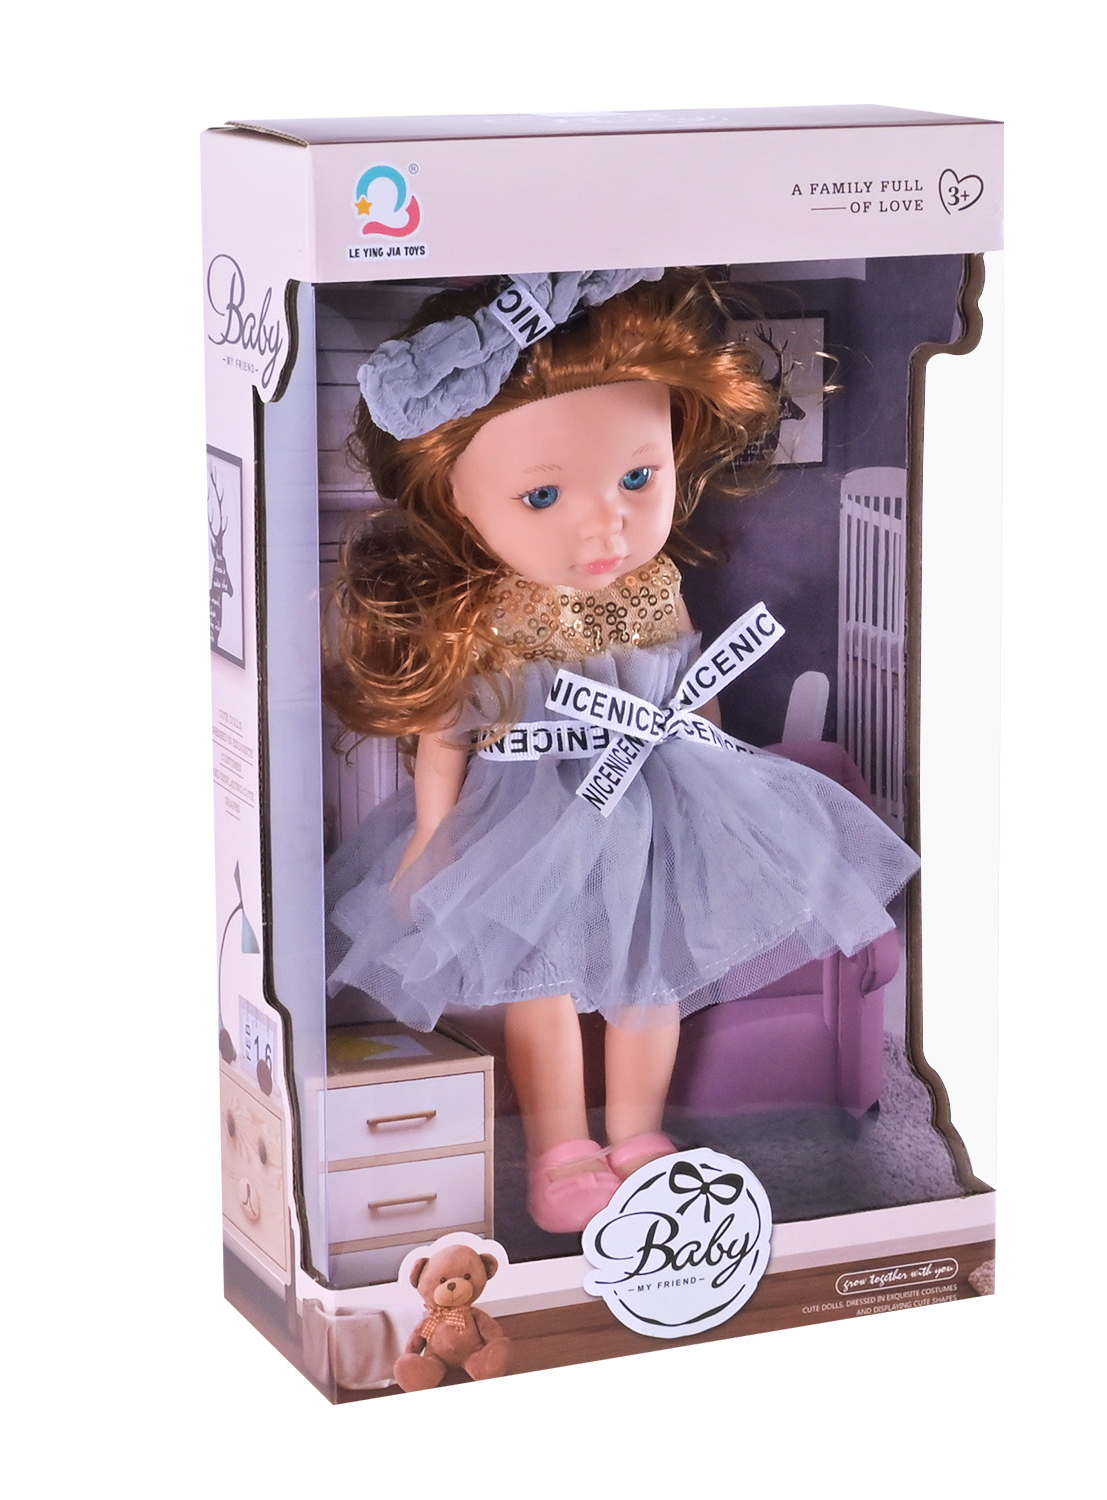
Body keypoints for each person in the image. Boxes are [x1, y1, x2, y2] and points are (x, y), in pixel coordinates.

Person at [324, 268, 918, 1233]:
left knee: (655, 975)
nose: (604, 523)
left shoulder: (655, 584)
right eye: (542, 494)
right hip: (529, 810)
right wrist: (431, 838)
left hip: (660, 793)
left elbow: (692, 677)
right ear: (457, 498)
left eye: (638, 479)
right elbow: (448, 733)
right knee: (545, 980)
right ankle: (561, 1145)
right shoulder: (495, 613)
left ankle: (638, 1134)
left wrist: (724, 762)